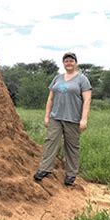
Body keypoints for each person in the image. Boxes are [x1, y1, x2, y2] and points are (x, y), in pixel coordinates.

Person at [34, 52, 92, 186]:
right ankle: (45, 169)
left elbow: (87, 100)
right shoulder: (57, 78)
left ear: (75, 63)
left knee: (71, 146)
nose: (69, 63)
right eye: (66, 61)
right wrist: (47, 116)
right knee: (50, 141)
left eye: (71, 60)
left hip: (73, 118)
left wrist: (84, 119)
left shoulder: (82, 79)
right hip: (56, 117)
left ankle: (71, 174)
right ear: (63, 63)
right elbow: (50, 98)